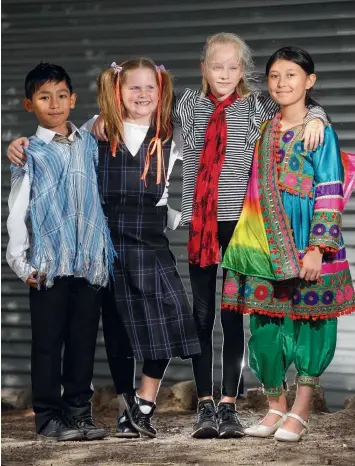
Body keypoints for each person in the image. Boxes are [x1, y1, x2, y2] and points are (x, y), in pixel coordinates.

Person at [7, 33, 327, 440]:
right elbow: (76, 137)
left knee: (206, 318)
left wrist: (317, 118)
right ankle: (164, 406)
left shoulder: (230, 112)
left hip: (227, 228)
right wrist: (21, 144)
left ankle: (220, 404)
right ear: (203, 69)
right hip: (144, 236)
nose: (224, 74)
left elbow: (295, 106)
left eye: (233, 67)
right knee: (155, 323)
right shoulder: (126, 122)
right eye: (216, 66)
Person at [221, 46, 355, 442]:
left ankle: (300, 410)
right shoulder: (264, 127)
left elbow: (330, 189)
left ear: (309, 81)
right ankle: (275, 405)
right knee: (263, 326)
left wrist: (318, 247)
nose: (281, 83)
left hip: (308, 242)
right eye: (275, 76)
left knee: (310, 325)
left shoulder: (321, 131)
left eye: (291, 75)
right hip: (263, 243)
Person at [6, 63, 116, 441]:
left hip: (88, 260)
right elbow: (17, 210)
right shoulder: (28, 152)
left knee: (84, 341)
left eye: (61, 95)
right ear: (28, 104)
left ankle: (79, 414)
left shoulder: (88, 139)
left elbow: (113, 113)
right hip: (47, 265)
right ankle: (48, 417)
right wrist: (20, 262)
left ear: (73, 99)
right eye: (43, 97)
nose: (53, 104)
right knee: (49, 343)